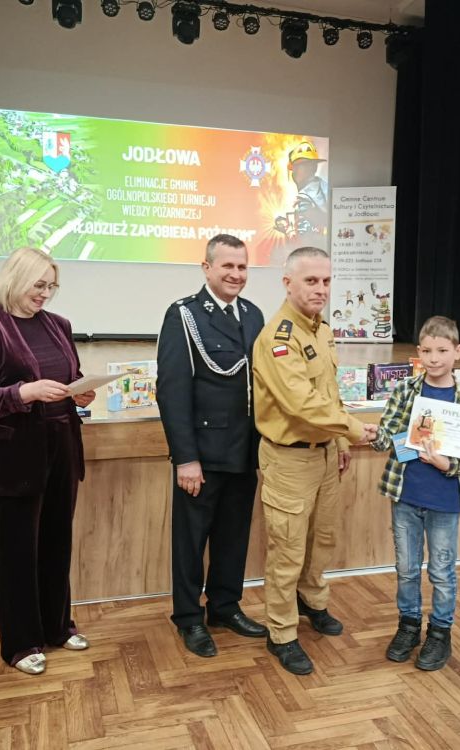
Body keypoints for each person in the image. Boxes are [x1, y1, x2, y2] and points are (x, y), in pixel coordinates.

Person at [0, 246, 96, 676]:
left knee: (57, 541)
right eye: (39, 285)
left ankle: (57, 626)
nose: (46, 294)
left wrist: (81, 391)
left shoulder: (59, 325)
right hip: (15, 455)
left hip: (62, 446)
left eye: (51, 286)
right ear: (16, 279)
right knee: (17, 551)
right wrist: (26, 392)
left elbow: (70, 376)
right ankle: (20, 643)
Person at [251, 246, 377, 675]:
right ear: (288, 283)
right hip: (288, 459)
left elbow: (329, 392)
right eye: (311, 281)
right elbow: (301, 403)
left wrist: (339, 441)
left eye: (326, 281)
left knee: (322, 539)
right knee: (287, 550)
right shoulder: (278, 338)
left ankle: (312, 602)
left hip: (324, 455)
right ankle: (281, 633)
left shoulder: (321, 330)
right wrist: (354, 429)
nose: (321, 289)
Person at [156, 234, 268, 657]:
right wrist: (186, 458)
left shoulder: (253, 314)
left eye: (242, 267)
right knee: (191, 541)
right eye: (227, 266)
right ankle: (188, 617)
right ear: (207, 268)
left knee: (233, 537)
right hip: (202, 454)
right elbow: (172, 391)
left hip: (244, 450)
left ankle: (224, 606)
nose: (236, 274)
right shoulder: (184, 315)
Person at [369, 316, 460, 671]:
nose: (434, 358)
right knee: (406, 569)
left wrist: (445, 463)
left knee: (442, 571)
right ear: (418, 352)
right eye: (427, 351)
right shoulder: (406, 390)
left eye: (442, 351)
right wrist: (373, 435)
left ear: (457, 352)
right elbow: (389, 435)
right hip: (406, 496)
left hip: (444, 501)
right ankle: (408, 627)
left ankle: (439, 632)